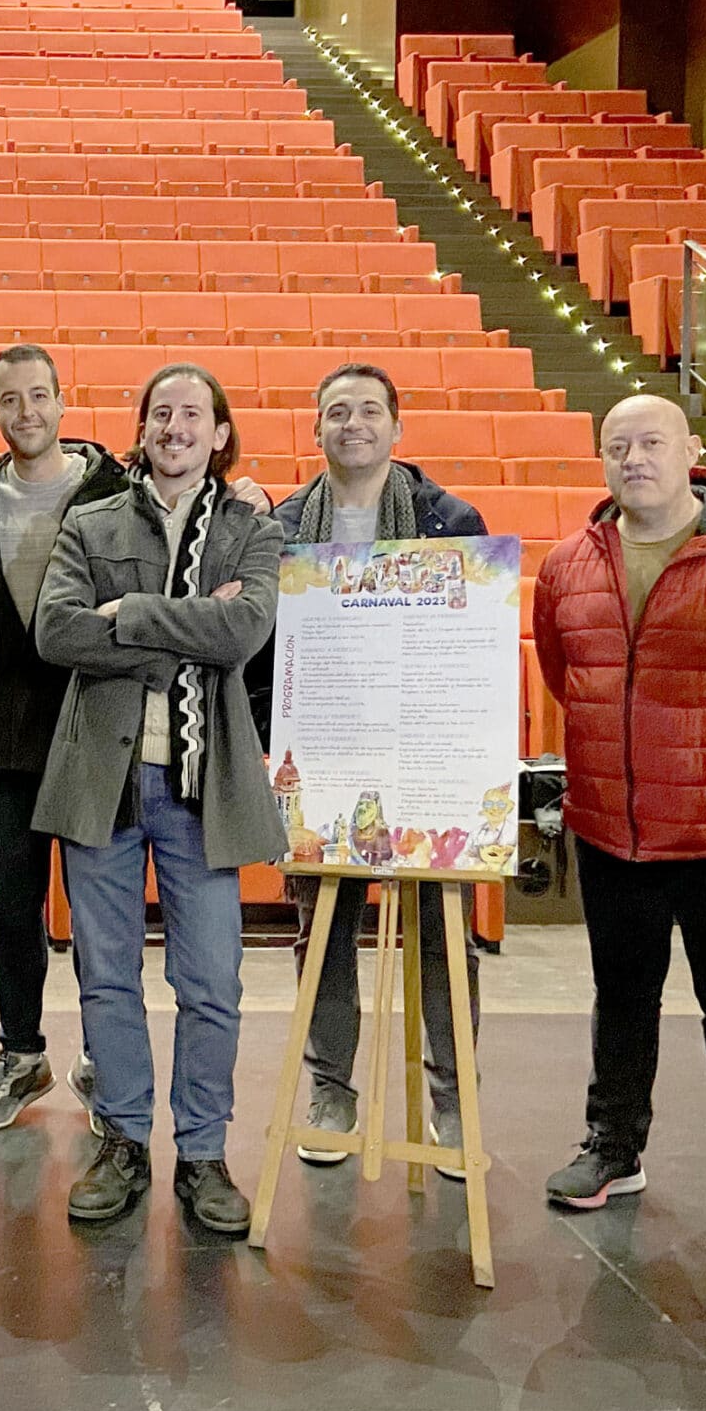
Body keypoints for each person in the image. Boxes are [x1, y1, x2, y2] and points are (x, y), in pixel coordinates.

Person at [531, 393, 706, 1255]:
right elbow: (571, 677)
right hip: (614, 826)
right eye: (617, 445)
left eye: (651, 442)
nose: (633, 457)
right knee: (623, 996)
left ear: (692, 453)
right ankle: (614, 1148)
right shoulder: (569, 563)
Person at [34, 363, 283, 1234]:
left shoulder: (252, 527)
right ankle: (125, 1140)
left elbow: (245, 630)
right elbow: (57, 631)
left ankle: (206, 1151)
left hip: (201, 782)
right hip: (101, 779)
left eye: (192, 414)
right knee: (106, 977)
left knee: (211, 980)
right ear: (140, 430)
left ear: (219, 434)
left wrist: (128, 611)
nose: (174, 426)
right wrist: (185, 627)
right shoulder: (92, 519)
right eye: (159, 413)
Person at [249, 361, 487, 1171]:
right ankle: (332, 1088)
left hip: (425, 755)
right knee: (324, 935)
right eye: (337, 412)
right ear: (316, 430)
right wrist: (265, 739)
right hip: (322, 761)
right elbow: (258, 652)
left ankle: (452, 1099)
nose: (353, 424)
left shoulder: (448, 517)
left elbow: (476, 641)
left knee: (438, 938)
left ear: (396, 425)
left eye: (369, 411)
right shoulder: (282, 527)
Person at [0, 345, 129, 1134]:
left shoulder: (115, 488)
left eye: (39, 396)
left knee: (97, 911)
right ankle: (21, 1056)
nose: (27, 413)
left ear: (64, 400)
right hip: (4, 738)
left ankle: (104, 1059)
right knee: (11, 909)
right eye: (10, 400)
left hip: (94, 728)